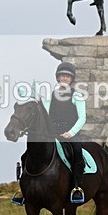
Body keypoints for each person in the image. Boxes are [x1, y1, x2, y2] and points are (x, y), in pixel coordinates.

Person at [44, 62, 87, 203]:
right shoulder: (52, 95)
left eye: (67, 76)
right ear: (58, 77)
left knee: (77, 152)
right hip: (53, 132)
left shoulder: (78, 95)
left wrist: (71, 133)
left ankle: (77, 187)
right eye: (62, 76)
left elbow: (82, 117)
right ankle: (25, 188)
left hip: (70, 132)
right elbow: (47, 114)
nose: (64, 78)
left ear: (71, 78)